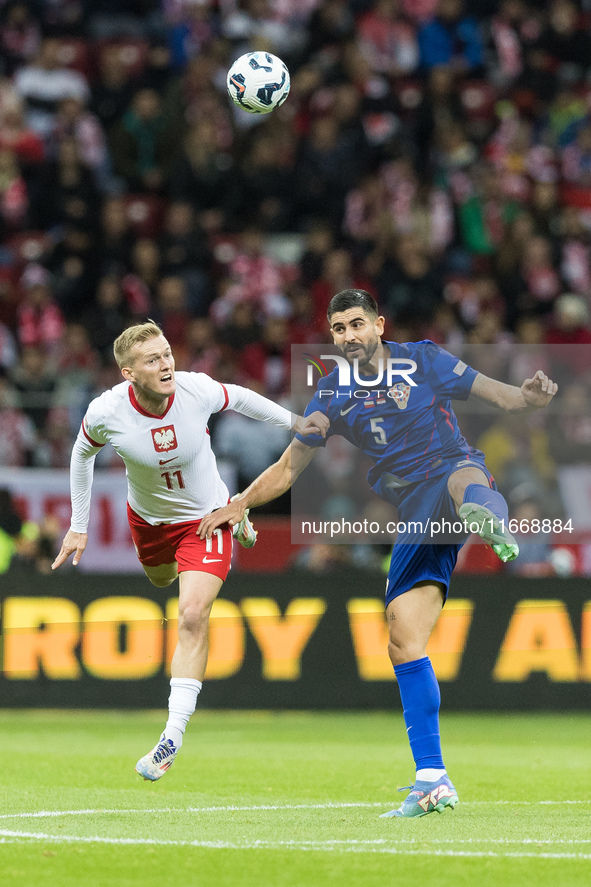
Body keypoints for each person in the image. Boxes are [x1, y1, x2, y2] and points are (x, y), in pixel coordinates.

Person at [199, 289, 558, 818]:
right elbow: (289, 468)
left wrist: (530, 396)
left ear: (379, 325)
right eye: (338, 328)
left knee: (461, 474)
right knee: (402, 638)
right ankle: (432, 778)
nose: (347, 336)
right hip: (413, 513)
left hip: (450, 473)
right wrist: (240, 502)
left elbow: (502, 396)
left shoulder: (426, 360)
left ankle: (493, 518)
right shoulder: (331, 392)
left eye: (356, 324)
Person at [51, 320, 321, 781]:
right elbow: (81, 454)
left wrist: (297, 422)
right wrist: (79, 526)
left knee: (192, 615)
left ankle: (170, 738)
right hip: (150, 523)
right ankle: (231, 529)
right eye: (152, 359)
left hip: (207, 518)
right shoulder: (106, 411)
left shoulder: (195, 391)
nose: (166, 363)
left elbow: (240, 398)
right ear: (128, 373)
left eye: (168, 353)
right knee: (160, 579)